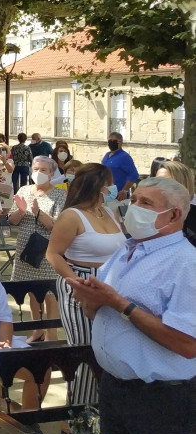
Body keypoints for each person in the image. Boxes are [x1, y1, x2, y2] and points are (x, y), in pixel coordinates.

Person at [68, 177, 196, 434]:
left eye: (146, 203)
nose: (133, 208)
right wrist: (91, 300)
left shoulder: (185, 263)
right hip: (115, 388)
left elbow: (187, 344)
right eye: (135, 199)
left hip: (162, 400)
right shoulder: (126, 250)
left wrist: (120, 304)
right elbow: (101, 312)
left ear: (175, 215)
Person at [45, 163, 126, 406]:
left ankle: (102, 412)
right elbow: (53, 254)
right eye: (109, 183)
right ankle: (81, 416)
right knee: (86, 350)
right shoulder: (72, 216)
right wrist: (75, 282)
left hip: (110, 286)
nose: (113, 188)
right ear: (99, 186)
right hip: (81, 282)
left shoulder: (110, 212)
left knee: (108, 350)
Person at [8, 155, 66, 349]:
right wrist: (22, 211)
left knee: (50, 294)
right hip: (25, 250)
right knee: (31, 292)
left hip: (48, 252)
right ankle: (37, 331)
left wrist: (38, 213)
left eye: (43, 170)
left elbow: (58, 226)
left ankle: (51, 334)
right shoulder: (24, 190)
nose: (38, 173)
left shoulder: (59, 195)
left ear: (51, 174)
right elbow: (12, 220)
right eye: (35, 169)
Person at [155, 160, 196, 246]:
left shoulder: (192, 217)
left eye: (166, 182)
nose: (158, 186)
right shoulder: (150, 213)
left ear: (183, 183)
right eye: (156, 181)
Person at [101, 132, 139, 201]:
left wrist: (124, 191)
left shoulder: (125, 157)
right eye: (110, 141)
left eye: (114, 141)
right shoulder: (107, 155)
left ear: (120, 142)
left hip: (118, 196)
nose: (111, 143)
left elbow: (134, 175)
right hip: (105, 194)